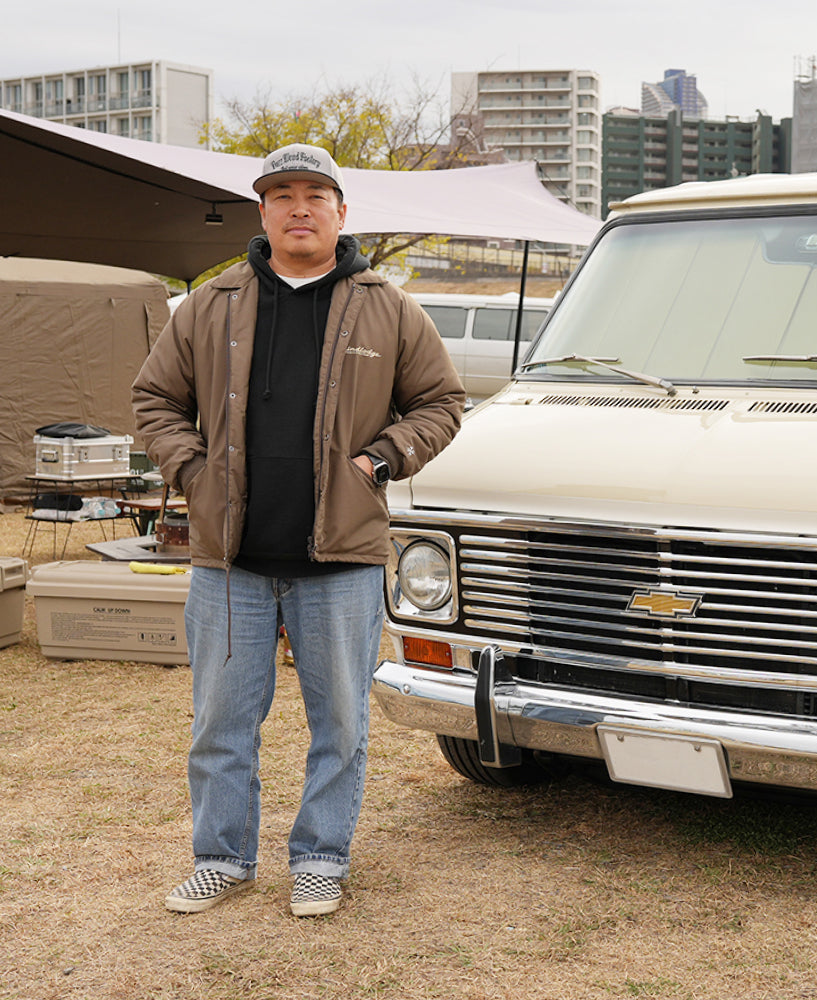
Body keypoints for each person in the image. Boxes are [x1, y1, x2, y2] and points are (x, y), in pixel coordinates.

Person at [133, 143, 465, 917]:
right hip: (231, 563)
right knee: (220, 722)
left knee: (341, 723)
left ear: (342, 211)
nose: (299, 207)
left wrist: (381, 461)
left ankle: (321, 857)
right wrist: (194, 472)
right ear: (263, 212)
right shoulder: (213, 304)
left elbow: (442, 403)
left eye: (315, 193)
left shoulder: (389, 306)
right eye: (281, 194)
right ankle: (222, 858)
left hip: (341, 560)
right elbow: (154, 401)